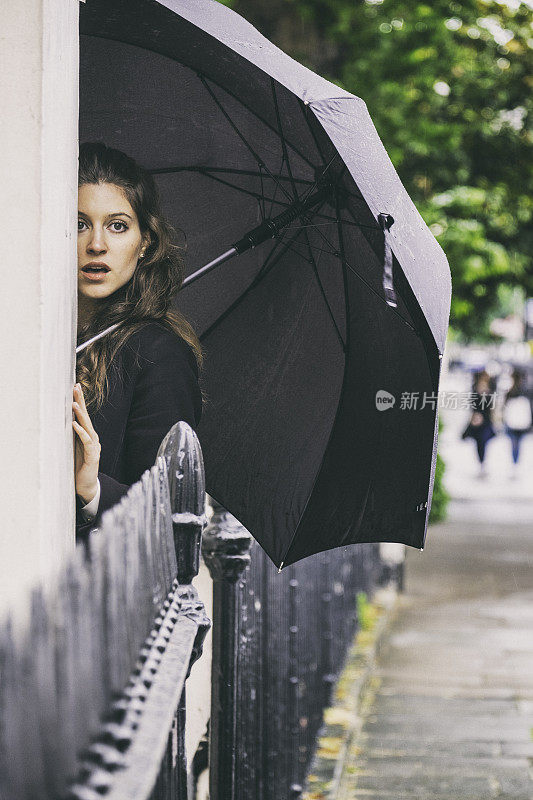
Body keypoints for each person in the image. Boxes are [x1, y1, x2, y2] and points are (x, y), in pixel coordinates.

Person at [74, 142, 203, 539]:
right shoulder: (33, 337)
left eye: (117, 225)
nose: (97, 244)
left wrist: (91, 488)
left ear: (145, 242)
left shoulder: (159, 355)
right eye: (79, 223)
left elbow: (170, 517)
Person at [461, 370, 496, 478]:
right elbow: (472, 406)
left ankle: (482, 464)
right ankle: (481, 464)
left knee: (483, 442)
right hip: (476, 422)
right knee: (479, 443)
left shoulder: (490, 390)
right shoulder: (474, 390)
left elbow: (491, 408)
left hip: (486, 421)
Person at [502, 368, 532, 478]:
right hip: (514, 422)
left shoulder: (521, 391)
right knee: (516, 445)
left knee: (516, 445)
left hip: (519, 422)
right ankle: (515, 466)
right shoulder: (520, 390)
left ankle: (515, 466)